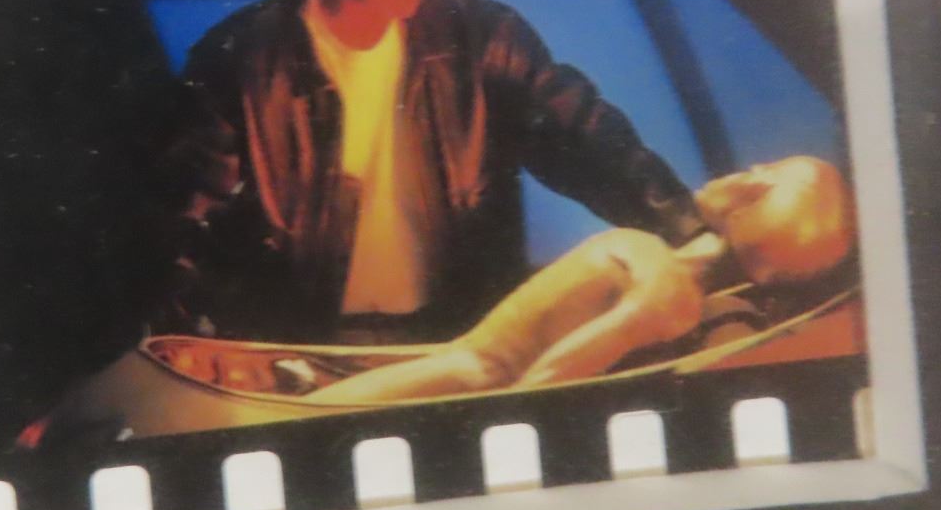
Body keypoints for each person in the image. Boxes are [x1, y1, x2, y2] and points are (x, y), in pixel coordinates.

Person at [155, 0, 708, 349]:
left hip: (459, 347)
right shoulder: (239, 60)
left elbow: (586, 142)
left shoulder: (484, 39)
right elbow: (179, 227)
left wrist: (692, 233)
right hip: (297, 362)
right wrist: (181, 343)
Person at [302, 154, 853, 404]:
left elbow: (548, 382)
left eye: (765, 177)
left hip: (469, 375)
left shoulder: (666, 289)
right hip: (459, 360)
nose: (750, 170)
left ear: (752, 206)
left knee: (321, 416)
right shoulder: (660, 263)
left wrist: (501, 421)